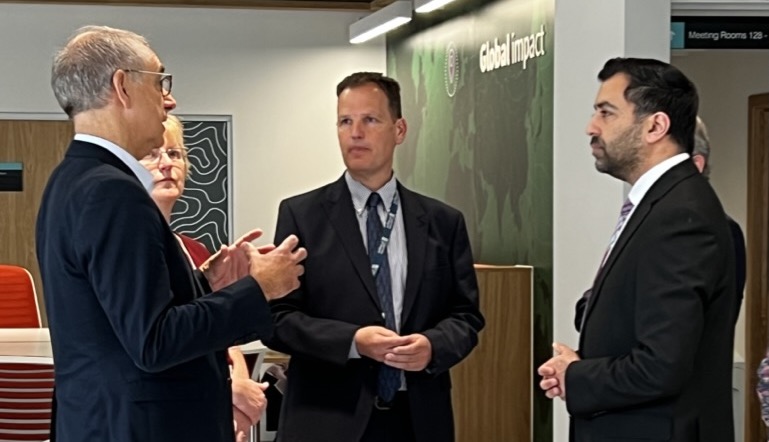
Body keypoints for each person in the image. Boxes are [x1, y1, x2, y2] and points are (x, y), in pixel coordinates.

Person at [36, 25, 306, 442]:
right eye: (160, 81)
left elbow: (122, 316)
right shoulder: (113, 190)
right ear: (122, 86)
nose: (170, 99)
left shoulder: (70, 180)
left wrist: (207, 283)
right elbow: (154, 342)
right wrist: (260, 286)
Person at [263, 72, 485, 442]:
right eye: (345, 121)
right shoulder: (302, 215)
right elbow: (277, 320)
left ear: (399, 130)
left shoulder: (442, 222)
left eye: (370, 120)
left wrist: (433, 346)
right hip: (327, 420)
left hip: (416, 418)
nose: (355, 133)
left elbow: (466, 316)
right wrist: (353, 341)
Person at [538, 58, 737, 441]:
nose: (590, 128)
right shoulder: (661, 204)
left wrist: (575, 376)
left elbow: (661, 365)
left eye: (606, 113)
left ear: (655, 126)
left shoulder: (681, 215)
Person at [141, 114, 268, 442]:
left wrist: (238, 388)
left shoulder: (194, 250)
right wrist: (232, 395)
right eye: (153, 154)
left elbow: (220, 336)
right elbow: (161, 342)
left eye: (175, 154)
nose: (167, 164)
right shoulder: (136, 251)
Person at [573, 115, 748, 332]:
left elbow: (672, 331)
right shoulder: (642, 218)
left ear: (695, 165)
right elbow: (591, 309)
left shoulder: (705, 230)